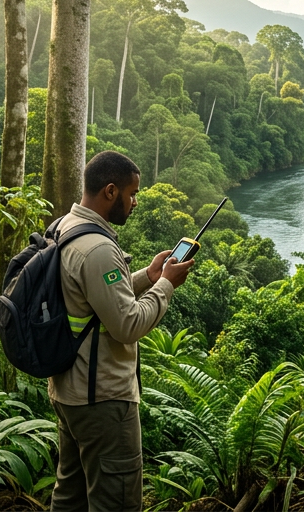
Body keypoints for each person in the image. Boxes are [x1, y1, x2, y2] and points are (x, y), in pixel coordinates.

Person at [50, 151, 194, 511]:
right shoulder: (98, 248)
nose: (135, 202)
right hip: (102, 399)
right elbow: (127, 324)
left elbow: (95, 298)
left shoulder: (65, 227)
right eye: (132, 194)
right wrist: (167, 286)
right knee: (117, 500)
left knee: (71, 496)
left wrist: (149, 276)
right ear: (111, 192)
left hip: (69, 390)